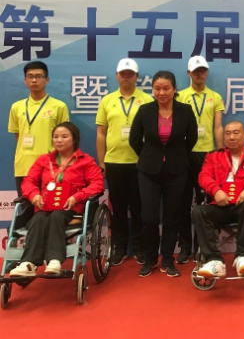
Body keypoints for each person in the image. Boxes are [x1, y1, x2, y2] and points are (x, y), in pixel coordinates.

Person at [9, 123, 104, 277]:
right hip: (44, 206)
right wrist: (34, 195)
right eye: (56, 137)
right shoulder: (43, 160)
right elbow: (28, 181)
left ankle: (54, 260)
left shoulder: (85, 161)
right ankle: (28, 263)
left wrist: (77, 196)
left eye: (64, 137)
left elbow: (97, 184)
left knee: (57, 216)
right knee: (37, 219)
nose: (59, 140)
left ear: (74, 139)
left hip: (70, 208)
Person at [130, 71, 198, 278]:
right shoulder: (145, 110)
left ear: (174, 89)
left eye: (166, 88)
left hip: (177, 170)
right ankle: (150, 258)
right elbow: (134, 140)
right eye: (157, 88)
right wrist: (150, 157)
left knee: (172, 217)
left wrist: (176, 156)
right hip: (148, 171)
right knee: (149, 218)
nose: (162, 92)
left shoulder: (185, 111)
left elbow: (192, 139)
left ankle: (168, 259)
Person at [194, 121, 244, 277]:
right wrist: (215, 190)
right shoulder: (213, 156)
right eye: (228, 133)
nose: (231, 137)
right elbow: (204, 176)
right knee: (199, 211)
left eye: (236, 133)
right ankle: (214, 261)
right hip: (220, 206)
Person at [96, 58, 153, 266]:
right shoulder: (107, 100)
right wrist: (102, 161)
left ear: (136, 77)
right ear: (117, 76)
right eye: (123, 73)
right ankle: (119, 248)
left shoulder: (147, 100)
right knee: (118, 209)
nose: (126, 77)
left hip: (140, 163)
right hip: (114, 162)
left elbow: (153, 133)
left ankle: (139, 247)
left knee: (139, 208)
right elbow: (101, 133)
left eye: (130, 74)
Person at [176, 56, 225, 264]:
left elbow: (218, 127)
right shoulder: (180, 96)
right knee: (183, 202)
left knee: (205, 203)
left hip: (208, 155)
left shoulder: (215, 97)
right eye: (196, 70)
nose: (199, 73)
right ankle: (185, 247)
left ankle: (203, 247)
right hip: (185, 154)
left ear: (206, 73)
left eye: (203, 70)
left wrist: (220, 153)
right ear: (189, 73)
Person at [8, 61, 69, 196]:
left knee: (50, 206)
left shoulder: (59, 106)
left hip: (50, 167)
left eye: (39, 76)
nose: (34, 80)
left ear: (47, 80)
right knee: (26, 207)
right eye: (30, 76)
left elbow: (65, 139)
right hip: (24, 166)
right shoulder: (16, 107)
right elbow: (18, 135)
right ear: (25, 80)